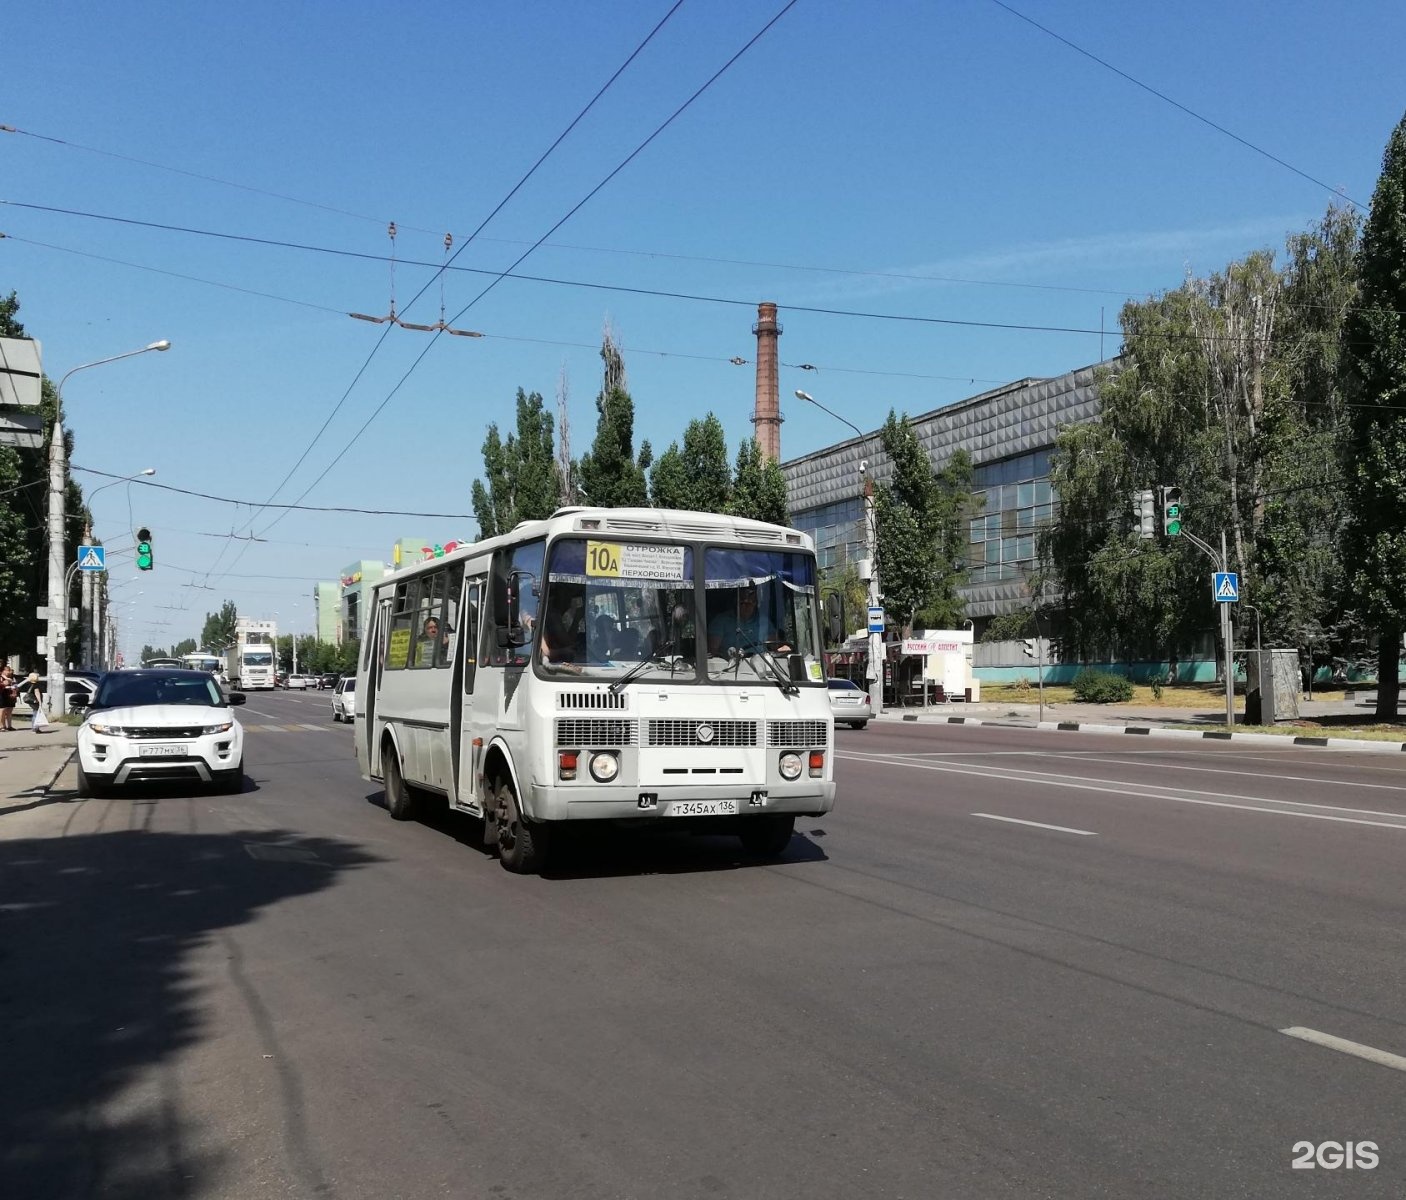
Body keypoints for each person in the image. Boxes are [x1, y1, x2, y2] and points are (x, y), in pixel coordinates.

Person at [707, 586, 790, 657]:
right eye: (742, 602)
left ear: (756, 603)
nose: (745, 607)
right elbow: (712, 653)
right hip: (730, 671)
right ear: (735, 602)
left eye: (750, 603)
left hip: (760, 668)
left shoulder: (763, 621)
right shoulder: (720, 621)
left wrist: (783, 648)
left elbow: (775, 646)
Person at [0, 665, 16, 732]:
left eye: (9, 670)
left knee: (9, 710)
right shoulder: (1, 677)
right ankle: (2, 726)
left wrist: (15, 688)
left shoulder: (12, 677)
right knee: (2, 711)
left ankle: (9, 726)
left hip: (10, 695)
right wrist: (4, 684)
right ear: (3, 671)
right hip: (2, 695)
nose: (8, 672)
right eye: (7, 670)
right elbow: (2, 684)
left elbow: (15, 684)